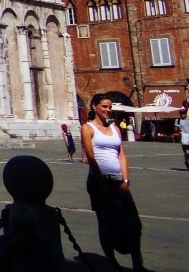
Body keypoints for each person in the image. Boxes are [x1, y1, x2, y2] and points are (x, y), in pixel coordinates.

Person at [81, 93, 151, 272]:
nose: (108, 110)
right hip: (98, 182)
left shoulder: (115, 128)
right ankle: (112, 262)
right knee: (105, 223)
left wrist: (126, 180)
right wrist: (101, 182)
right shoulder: (87, 128)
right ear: (95, 107)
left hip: (119, 181)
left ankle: (137, 264)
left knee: (134, 222)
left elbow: (121, 154)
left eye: (110, 107)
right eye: (104, 106)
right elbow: (90, 156)